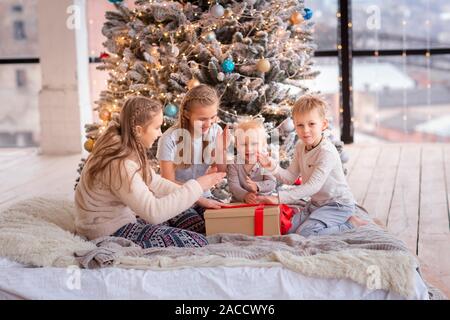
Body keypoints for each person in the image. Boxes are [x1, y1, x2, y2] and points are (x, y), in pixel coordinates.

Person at [75, 96, 225, 248]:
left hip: (124, 219)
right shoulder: (119, 163)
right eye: (156, 127)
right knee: (197, 240)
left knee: (194, 221)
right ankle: (132, 247)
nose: (160, 133)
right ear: (139, 130)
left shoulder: (127, 146)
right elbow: (154, 213)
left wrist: (197, 199)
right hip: (106, 231)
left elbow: (156, 182)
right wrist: (197, 185)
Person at [257, 95, 367, 237]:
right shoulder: (300, 146)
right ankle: (321, 219)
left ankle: (350, 224)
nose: (305, 130)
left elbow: (312, 186)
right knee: (288, 229)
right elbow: (290, 177)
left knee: (306, 233)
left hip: (337, 205)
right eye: (300, 125)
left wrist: (278, 198)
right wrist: (272, 166)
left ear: (324, 124)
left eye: (311, 124)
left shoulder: (326, 152)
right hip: (316, 204)